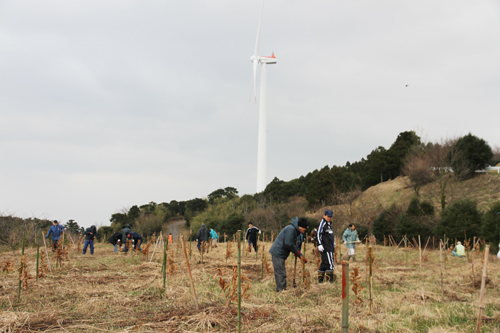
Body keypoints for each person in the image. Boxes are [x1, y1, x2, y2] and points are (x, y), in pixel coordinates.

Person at [269, 217, 308, 292]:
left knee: (281, 272)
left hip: (281, 253)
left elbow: (294, 244)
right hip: (278, 252)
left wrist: (300, 255)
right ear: (300, 227)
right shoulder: (291, 229)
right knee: (280, 273)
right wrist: (297, 252)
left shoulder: (295, 231)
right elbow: (288, 244)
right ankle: (281, 291)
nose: (303, 232)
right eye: (304, 230)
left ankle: (283, 288)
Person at [317, 210, 336, 283]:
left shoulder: (329, 225)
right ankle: (330, 282)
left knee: (324, 263)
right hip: (325, 247)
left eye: (330, 216)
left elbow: (329, 236)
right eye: (328, 216)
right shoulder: (323, 223)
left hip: (329, 246)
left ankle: (320, 281)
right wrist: (319, 244)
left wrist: (332, 242)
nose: (329, 218)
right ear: (324, 215)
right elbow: (318, 234)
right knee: (330, 264)